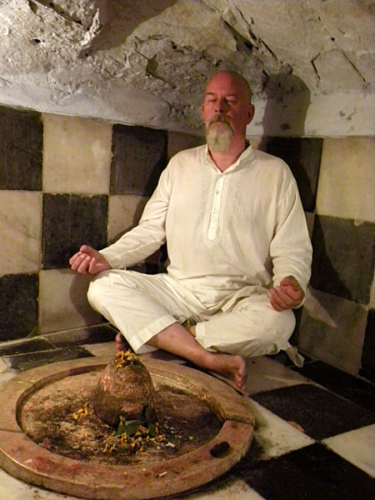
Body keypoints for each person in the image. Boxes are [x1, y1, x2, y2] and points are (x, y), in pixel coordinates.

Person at [69, 71, 312, 391]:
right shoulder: (180, 165)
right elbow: (150, 231)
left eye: (230, 101)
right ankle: (206, 356)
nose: (220, 108)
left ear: (249, 113)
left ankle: (171, 337)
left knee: (280, 323)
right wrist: (106, 257)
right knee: (102, 287)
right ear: (202, 112)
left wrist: (290, 284)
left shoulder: (275, 173)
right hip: (178, 292)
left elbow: (292, 249)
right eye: (212, 100)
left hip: (240, 298)